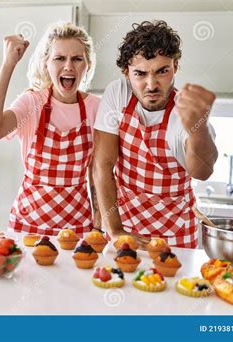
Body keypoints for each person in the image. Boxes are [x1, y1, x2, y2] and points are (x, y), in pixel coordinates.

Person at [93, 20, 218, 248]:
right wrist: (114, 230)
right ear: (126, 73)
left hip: (176, 234)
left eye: (162, 71)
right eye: (140, 74)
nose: (151, 85)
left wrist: (198, 128)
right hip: (124, 224)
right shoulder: (118, 94)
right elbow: (103, 165)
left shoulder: (184, 113)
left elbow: (202, 171)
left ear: (175, 67)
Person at [0, 22, 101, 236]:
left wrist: (99, 221)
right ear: (46, 64)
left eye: (77, 59)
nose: (68, 66)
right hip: (27, 226)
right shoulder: (32, 103)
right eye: (60, 58)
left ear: (87, 65)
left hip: (77, 228)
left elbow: (97, 171)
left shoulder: (95, 107)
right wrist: (8, 64)